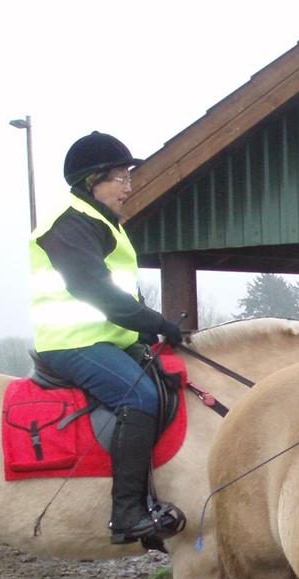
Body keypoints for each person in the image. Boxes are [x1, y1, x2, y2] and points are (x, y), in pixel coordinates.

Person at [30, 131, 186, 546]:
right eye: (121, 178)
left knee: (168, 381)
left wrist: (144, 328)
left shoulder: (100, 221)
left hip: (104, 339)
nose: (129, 188)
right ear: (91, 181)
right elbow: (93, 288)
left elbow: (120, 291)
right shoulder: (69, 222)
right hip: (71, 342)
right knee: (139, 398)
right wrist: (154, 318)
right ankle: (127, 514)